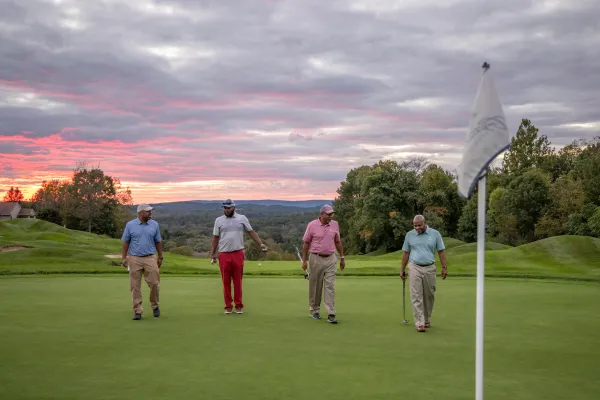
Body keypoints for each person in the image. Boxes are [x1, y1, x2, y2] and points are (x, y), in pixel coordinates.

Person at [210, 199, 268, 314]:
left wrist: (260, 244)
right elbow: (215, 238)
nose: (226, 210)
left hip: (238, 253)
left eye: (228, 208)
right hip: (224, 253)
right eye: (225, 208)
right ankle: (227, 306)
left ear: (233, 208)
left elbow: (251, 232)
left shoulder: (242, 218)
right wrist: (213, 253)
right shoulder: (218, 221)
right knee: (226, 282)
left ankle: (238, 305)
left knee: (238, 281)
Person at [400, 214, 447, 332]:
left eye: (419, 225)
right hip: (414, 266)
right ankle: (419, 322)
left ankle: (426, 318)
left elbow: (441, 251)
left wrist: (444, 267)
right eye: (415, 226)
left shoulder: (435, 234)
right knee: (416, 295)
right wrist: (402, 269)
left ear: (424, 223)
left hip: (429, 267)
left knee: (429, 295)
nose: (417, 228)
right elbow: (405, 253)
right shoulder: (409, 235)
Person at [301, 204, 345, 324]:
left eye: (332, 214)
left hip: (331, 258)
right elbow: (306, 244)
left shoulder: (335, 224)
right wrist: (304, 261)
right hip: (316, 258)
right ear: (322, 214)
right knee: (315, 286)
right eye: (329, 214)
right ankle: (314, 310)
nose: (331, 216)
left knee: (330, 286)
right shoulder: (312, 225)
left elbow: (338, 241)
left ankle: (331, 313)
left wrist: (342, 257)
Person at [121, 203, 163, 321]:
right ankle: (137, 310)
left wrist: (160, 256)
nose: (150, 213)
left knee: (154, 283)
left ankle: (155, 305)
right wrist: (124, 257)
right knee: (135, 286)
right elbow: (125, 242)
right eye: (148, 211)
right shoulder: (130, 225)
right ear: (140, 213)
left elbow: (158, 241)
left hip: (150, 257)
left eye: (150, 211)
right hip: (134, 258)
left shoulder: (154, 224)